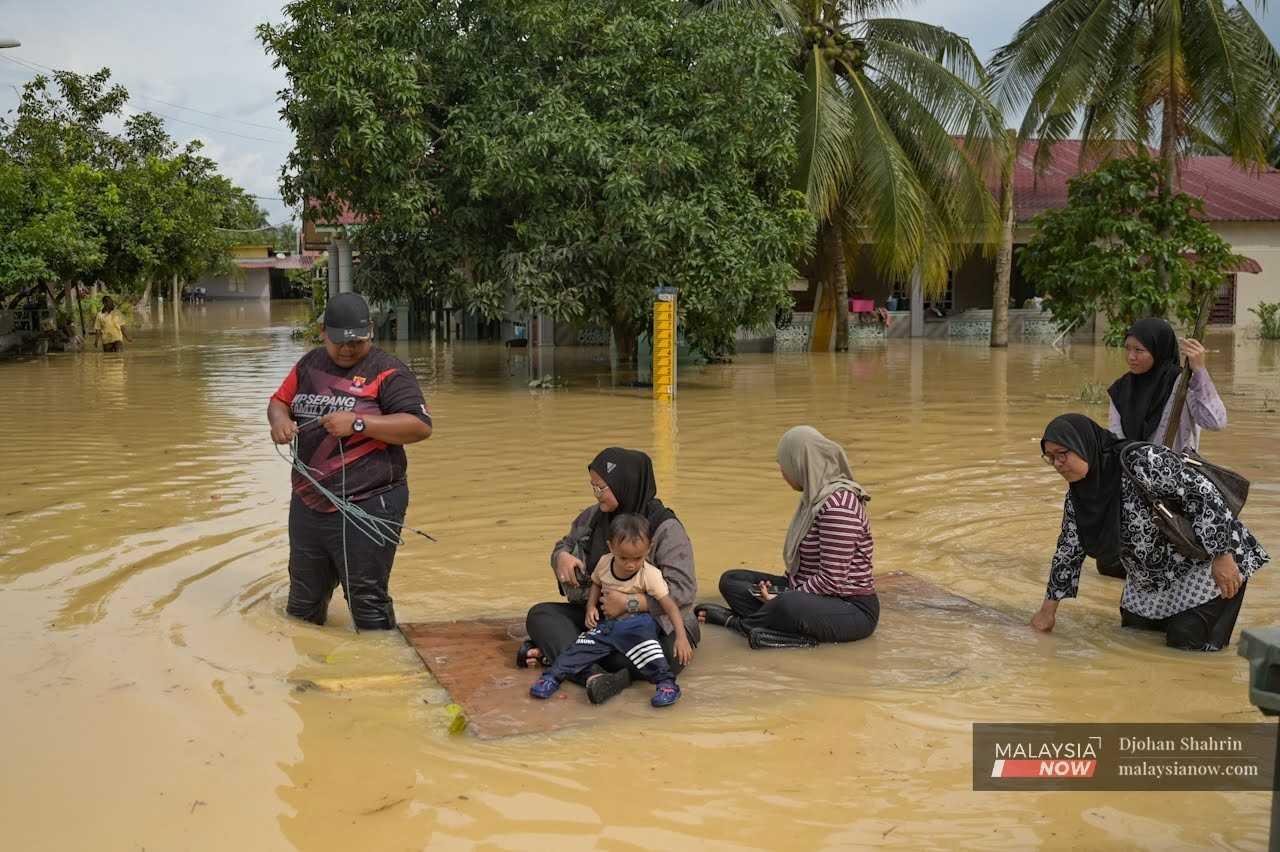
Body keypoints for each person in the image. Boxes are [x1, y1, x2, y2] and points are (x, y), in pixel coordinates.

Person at [1031, 414, 1267, 651]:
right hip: (1151, 581)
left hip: (1206, 565)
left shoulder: (1142, 461)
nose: (1057, 463)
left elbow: (1204, 494)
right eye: (1050, 457)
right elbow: (1068, 551)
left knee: (1187, 643)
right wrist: (1047, 612)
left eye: (1063, 453)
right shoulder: (1079, 497)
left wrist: (1222, 556)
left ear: (1083, 444)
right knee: (1132, 639)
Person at [267, 292, 432, 629]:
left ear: (371, 331)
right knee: (302, 602)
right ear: (323, 333)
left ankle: (382, 673)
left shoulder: (388, 373)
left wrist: (359, 422)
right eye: (338, 341)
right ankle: (305, 672)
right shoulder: (309, 364)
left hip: (368, 504)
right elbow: (278, 402)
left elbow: (419, 426)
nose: (346, 349)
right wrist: (279, 422)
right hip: (309, 502)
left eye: (355, 342)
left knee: (367, 601)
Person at [521, 448, 698, 705]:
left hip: (655, 624)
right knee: (541, 616)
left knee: (651, 656)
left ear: (624, 485)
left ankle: (568, 660)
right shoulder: (592, 518)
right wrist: (561, 557)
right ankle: (594, 676)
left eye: (601, 488)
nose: (596, 495)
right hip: (603, 621)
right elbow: (564, 545)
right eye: (593, 487)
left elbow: (683, 591)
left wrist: (631, 603)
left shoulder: (665, 529)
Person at [697, 426, 879, 649]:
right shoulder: (813, 499)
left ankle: (736, 623)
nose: (783, 472)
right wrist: (776, 592)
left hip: (850, 609)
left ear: (801, 464)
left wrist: (784, 597)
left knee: (788, 604)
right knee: (732, 581)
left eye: (784, 464)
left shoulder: (838, 507)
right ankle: (773, 625)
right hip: (807, 593)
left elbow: (832, 580)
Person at [530, 514, 692, 707]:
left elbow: (671, 606)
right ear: (611, 547)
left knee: (654, 654)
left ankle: (666, 685)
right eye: (624, 558)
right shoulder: (605, 561)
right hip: (608, 626)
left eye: (637, 558)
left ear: (648, 550)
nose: (630, 565)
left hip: (638, 627)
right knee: (579, 648)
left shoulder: (650, 574)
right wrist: (591, 607)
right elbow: (596, 584)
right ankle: (553, 676)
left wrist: (681, 637)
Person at [1108, 318, 1226, 453]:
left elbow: (1216, 422)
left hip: (1178, 469)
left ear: (1158, 350)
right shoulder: (1120, 389)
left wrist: (1200, 370)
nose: (1131, 357)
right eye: (1127, 349)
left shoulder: (1183, 383)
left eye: (1139, 350)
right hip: (1134, 470)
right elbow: (1116, 441)